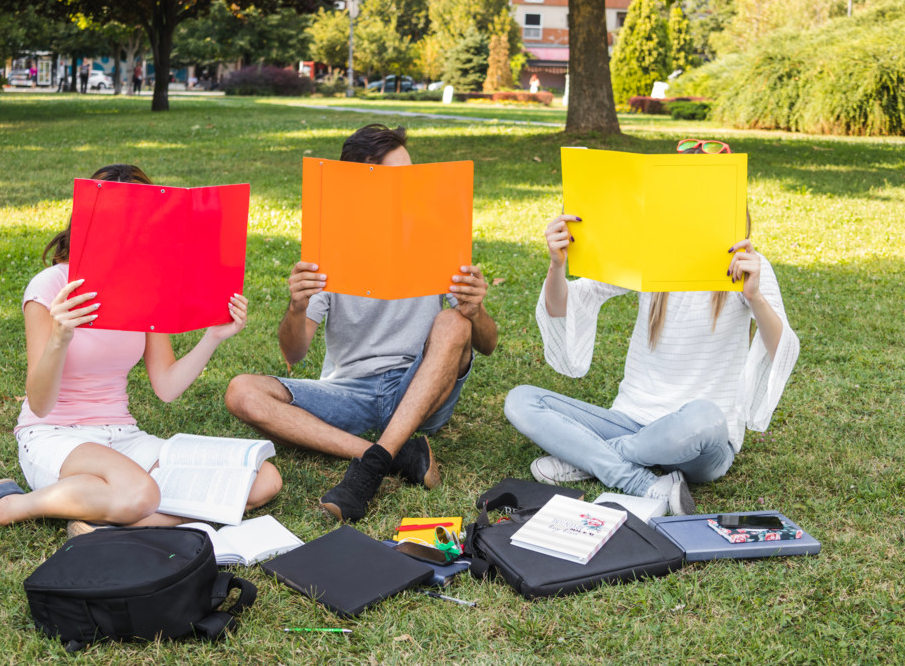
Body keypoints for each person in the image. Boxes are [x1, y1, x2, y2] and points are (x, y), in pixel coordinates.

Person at [0, 164, 281, 540]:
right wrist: (60, 336)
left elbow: (166, 386)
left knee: (264, 480)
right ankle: (10, 506)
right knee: (140, 492)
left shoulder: (148, 288)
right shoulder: (50, 287)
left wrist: (213, 336)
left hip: (124, 437)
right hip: (54, 435)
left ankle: (105, 517)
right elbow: (40, 402)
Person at [504, 139, 799, 515]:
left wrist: (755, 296)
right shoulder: (646, 258)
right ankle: (641, 482)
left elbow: (782, 349)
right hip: (631, 421)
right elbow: (564, 306)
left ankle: (592, 459)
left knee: (706, 418)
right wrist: (557, 265)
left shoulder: (749, 266)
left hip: (701, 442)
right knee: (522, 400)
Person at [226, 124, 497, 522]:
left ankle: (370, 467)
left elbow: (486, 344)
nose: (410, 186)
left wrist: (476, 312)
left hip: (419, 390)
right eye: (396, 178)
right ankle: (393, 454)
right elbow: (293, 353)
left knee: (454, 323)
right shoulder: (329, 245)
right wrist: (297, 306)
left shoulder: (435, 235)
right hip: (348, 393)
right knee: (241, 391)